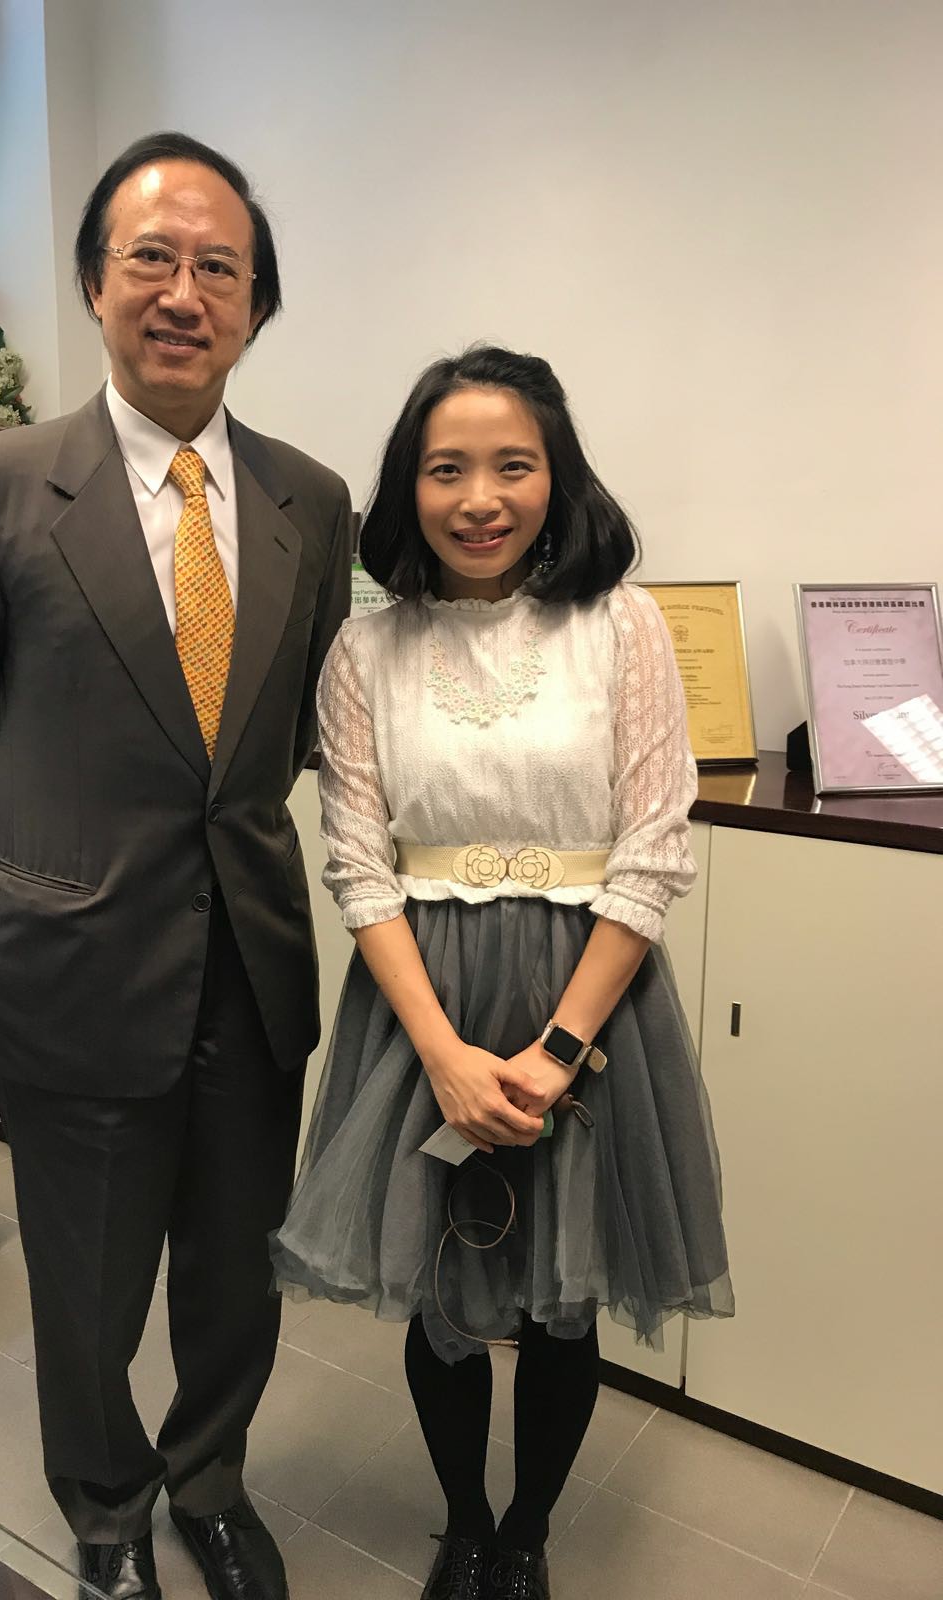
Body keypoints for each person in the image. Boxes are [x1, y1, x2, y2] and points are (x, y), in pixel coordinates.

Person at [0, 132, 352, 1600]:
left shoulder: (312, 502)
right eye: (150, 257)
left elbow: (293, 727)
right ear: (96, 283)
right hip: (75, 957)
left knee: (235, 1272)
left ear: (257, 305)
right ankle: (105, 1505)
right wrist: (62, 851)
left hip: (253, 963)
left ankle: (209, 1479)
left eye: (218, 267)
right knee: (86, 1283)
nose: (182, 291)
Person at [271, 346, 733, 1600]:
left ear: (556, 475)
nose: (480, 497)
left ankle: (527, 1535)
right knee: (442, 1283)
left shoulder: (623, 626)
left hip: (592, 1003)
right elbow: (359, 866)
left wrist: (559, 1050)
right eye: (447, 469)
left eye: (511, 465)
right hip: (424, 1005)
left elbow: (653, 848)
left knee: (559, 1295)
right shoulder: (365, 651)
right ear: (408, 487)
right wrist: (443, 1056)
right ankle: (465, 1524)